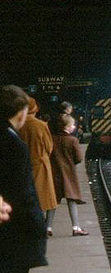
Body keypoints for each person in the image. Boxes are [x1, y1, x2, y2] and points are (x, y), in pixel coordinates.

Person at [0, 85, 48, 273]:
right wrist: (38, 232)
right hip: (13, 242)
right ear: (21, 112)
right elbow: (24, 194)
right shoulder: (11, 143)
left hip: (10, 241)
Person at [17, 98, 57, 237]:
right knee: (46, 198)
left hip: (22, 165)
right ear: (35, 109)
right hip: (40, 165)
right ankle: (45, 227)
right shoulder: (41, 125)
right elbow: (49, 147)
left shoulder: (16, 125)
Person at [49, 114, 89, 236]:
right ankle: (76, 227)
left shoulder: (52, 139)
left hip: (54, 173)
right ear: (67, 127)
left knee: (53, 201)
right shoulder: (72, 140)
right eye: (72, 125)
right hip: (68, 174)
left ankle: (48, 227)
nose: (74, 127)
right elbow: (79, 158)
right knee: (71, 200)